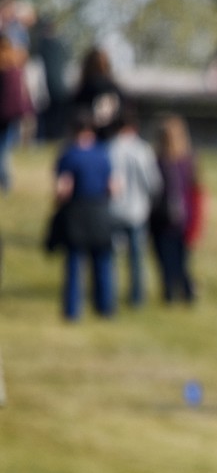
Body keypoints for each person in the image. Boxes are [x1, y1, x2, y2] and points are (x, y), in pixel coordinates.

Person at [48, 108, 116, 320]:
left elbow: (64, 188)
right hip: (100, 210)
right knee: (103, 262)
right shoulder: (102, 153)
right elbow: (113, 187)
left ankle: (72, 310)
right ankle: (105, 309)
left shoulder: (68, 155)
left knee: (75, 263)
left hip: (77, 211)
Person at [108, 105, 161, 307]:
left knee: (111, 256)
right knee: (137, 258)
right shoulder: (142, 150)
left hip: (114, 209)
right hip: (137, 210)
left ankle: (109, 295)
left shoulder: (109, 148)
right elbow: (152, 182)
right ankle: (137, 297)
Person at [149, 114, 201, 304]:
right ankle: (182, 292)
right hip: (179, 218)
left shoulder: (161, 162)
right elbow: (196, 194)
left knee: (168, 260)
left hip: (165, 219)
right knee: (179, 260)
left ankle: (174, 292)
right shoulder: (187, 162)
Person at [0, 31, 32, 193]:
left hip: (2, 112)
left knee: (2, 149)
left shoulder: (3, 65)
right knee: (5, 147)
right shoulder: (16, 63)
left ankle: (5, 181)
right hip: (12, 113)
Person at [71, 46, 123, 141]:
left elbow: (77, 113)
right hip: (112, 137)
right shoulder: (115, 88)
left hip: (89, 138)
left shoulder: (87, 88)